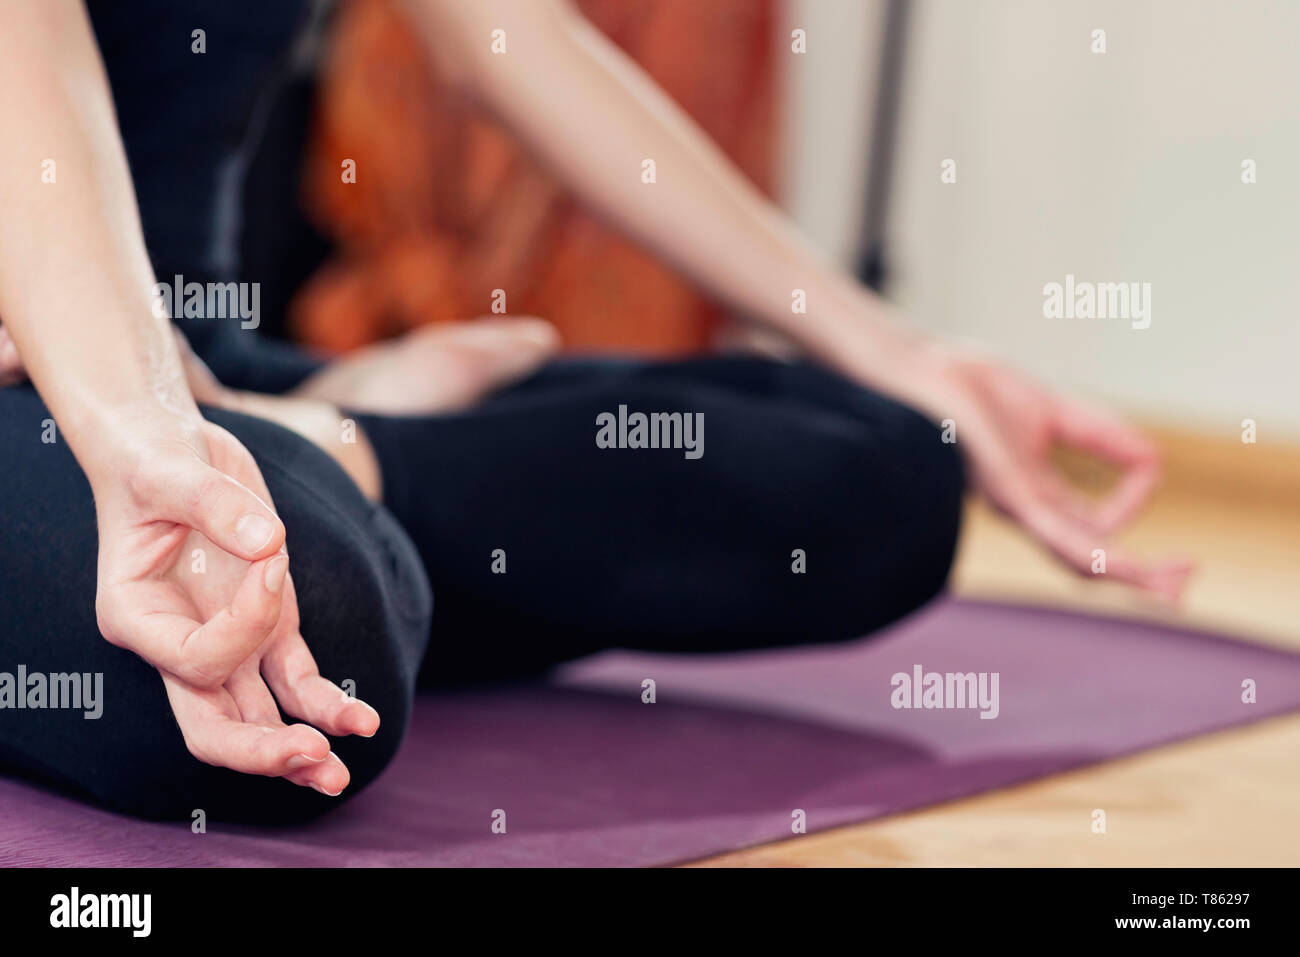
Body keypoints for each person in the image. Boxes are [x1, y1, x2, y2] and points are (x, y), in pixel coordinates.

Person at [0, 0, 1192, 824]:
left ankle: (335, 447)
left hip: (203, 379)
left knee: (887, 471)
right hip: (58, 396)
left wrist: (898, 345)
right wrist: (142, 418)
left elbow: (517, 39)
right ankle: (317, 470)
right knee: (304, 672)